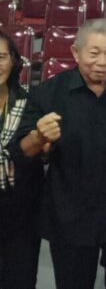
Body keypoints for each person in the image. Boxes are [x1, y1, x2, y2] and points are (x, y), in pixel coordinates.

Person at [10, 19, 106, 289]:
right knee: (73, 282)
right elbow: (21, 150)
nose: (102, 62)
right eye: (93, 53)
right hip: (69, 212)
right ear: (75, 52)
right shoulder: (48, 93)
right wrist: (39, 137)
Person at [0, 30, 41, 289]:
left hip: (21, 208)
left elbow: (34, 155)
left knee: (20, 278)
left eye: (1, 57)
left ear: (14, 60)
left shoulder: (30, 102)